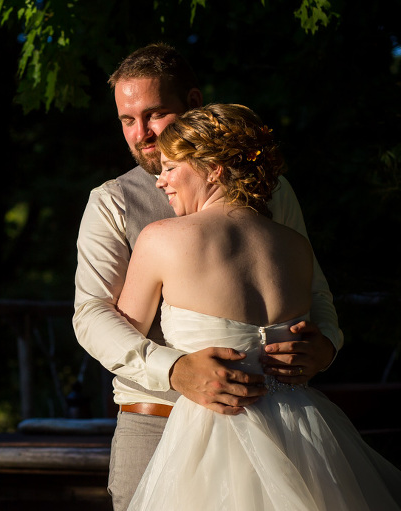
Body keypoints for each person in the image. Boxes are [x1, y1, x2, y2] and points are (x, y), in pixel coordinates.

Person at [72, 43, 342, 511]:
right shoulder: (112, 201)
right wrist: (174, 369)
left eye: (155, 114)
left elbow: (316, 292)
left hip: (277, 421)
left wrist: (327, 344)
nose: (142, 133)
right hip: (155, 418)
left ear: (194, 103)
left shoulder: (273, 194)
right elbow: (91, 313)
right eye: (127, 120)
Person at [119, 103, 401, 510]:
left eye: (168, 168)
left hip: (211, 435)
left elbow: (123, 340)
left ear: (213, 168)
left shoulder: (161, 238)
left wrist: (174, 368)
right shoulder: (295, 246)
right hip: (304, 433)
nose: (160, 182)